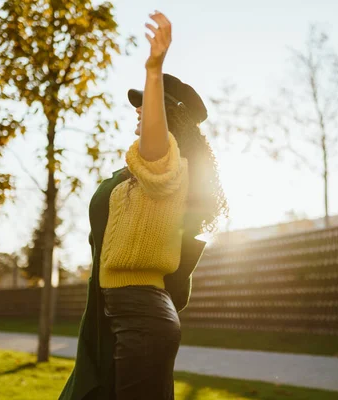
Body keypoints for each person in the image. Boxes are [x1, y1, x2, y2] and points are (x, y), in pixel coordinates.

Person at [59, 10, 228, 400]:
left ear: (171, 120)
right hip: (118, 313)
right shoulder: (139, 175)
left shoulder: (166, 168)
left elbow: (156, 143)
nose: (139, 109)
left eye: (149, 105)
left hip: (140, 317)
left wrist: (154, 69)